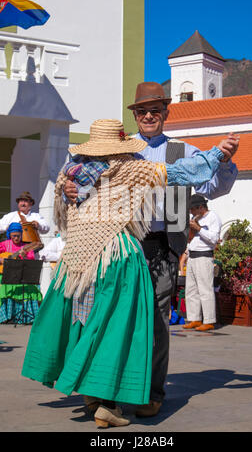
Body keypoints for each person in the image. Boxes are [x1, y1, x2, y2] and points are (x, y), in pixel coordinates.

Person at [22, 118, 231, 428]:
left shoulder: (73, 172)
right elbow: (186, 172)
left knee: (84, 322)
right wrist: (217, 155)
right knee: (115, 327)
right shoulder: (133, 167)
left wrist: (69, 193)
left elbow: (62, 210)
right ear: (120, 145)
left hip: (78, 261)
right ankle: (105, 402)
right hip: (118, 257)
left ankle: (93, 397)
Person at [64, 82, 240, 419]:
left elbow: (214, 187)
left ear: (165, 114)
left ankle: (150, 391)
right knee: (111, 318)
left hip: (163, 245)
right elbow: (81, 183)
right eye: (143, 111)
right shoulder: (120, 149)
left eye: (155, 111)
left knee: (158, 322)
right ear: (135, 115)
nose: (149, 116)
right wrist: (70, 187)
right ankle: (102, 390)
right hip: (118, 244)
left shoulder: (183, 151)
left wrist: (226, 161)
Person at [182, 194, 221, 331]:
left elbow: (214, 239)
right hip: (193, 256)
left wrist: (199, 229)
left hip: (204, 256)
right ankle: (195, 318)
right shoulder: (194, 218)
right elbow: (193, 240)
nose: (190, 212)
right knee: (191, 290)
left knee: (205, 289)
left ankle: (209, 320)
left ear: (200, 207)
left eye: (192, 209)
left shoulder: (213, 217)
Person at [0, 222, 42, 324]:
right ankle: (7, 316)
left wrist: (24, 256)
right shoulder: (4, 245)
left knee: (32, 287)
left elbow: (30, 261)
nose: (16, 238)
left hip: (22, 276)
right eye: (14, 235)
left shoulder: (26, 247)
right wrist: (2, 260)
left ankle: (26, 316)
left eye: (18, 235)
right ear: (10, 234)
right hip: (7, 275)